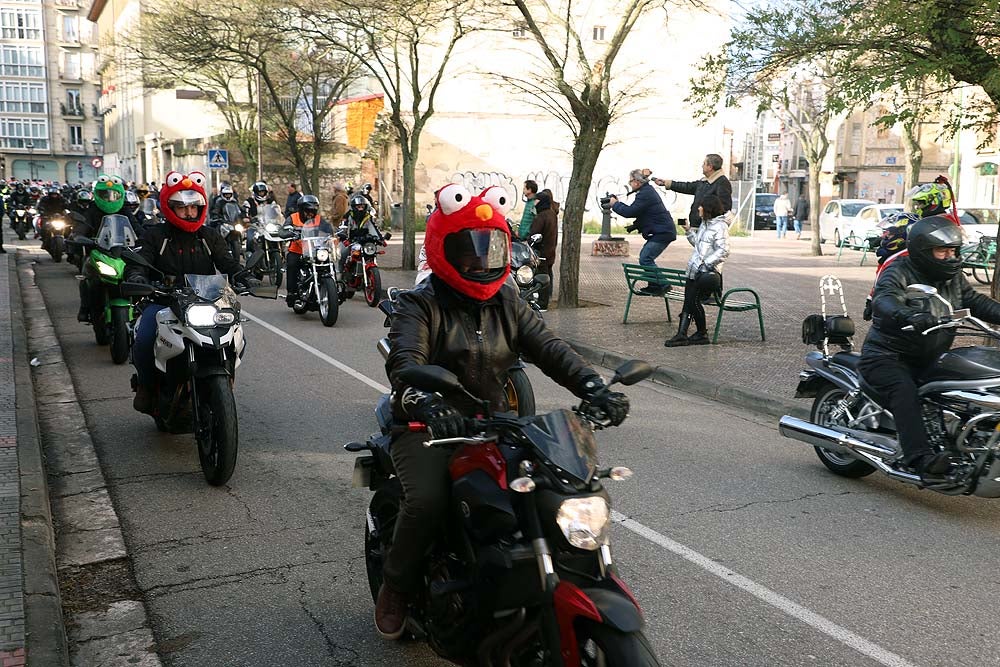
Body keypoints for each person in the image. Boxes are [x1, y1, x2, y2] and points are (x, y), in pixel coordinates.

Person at [374, 183, 630, 639]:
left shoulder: (507, 300)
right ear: (443, 247)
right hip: (426, 425)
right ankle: (395, 586)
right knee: (428, 500)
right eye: (467, 250)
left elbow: (549, 348)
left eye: (488, 248)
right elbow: (405, 363)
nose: (479, 261)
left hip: (497, 421)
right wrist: (425, 400)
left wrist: (593, 386)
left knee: (552, 491)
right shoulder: (420, 303)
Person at [860, 216, 1000, 479]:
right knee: (904, 391)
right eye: (943, 250)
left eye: (953, 250)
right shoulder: (898, 270)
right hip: (888, 356)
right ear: (923, 250)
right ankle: (919, 459)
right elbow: (885, 299)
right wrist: (906, 314)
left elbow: (972, 301)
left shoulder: (951, 276)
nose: (950, 256)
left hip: (931, 355)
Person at [127, 171, 251, 414]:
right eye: (182, 208)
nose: (189, 213)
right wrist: (137, 276)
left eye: (194, 208)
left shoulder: (209, 236)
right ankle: (147, 387)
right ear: (170, 207)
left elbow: (226, 262)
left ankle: (225, 382)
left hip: (206, 300)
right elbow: (140, 260)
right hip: (163, 299)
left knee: (238, 336)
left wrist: (244, 275)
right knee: (144, 339)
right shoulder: (155, 235)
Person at [664, 194, 730, 347]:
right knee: (689, 301)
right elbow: (698, 245)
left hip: (707, 273)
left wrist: (705, 264)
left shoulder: (720, 226)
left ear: (708, 208)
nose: (698, 208)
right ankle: (686, 334)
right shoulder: (705, 224)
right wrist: (688, 231)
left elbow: (724, 250)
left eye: (701, 206)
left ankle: (698, 333)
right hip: (694, 269)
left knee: (692, 301)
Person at [610, 169, 676, 294]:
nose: (629, 184)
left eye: (630, 181)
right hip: (662, 231)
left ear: (636, 181)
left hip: (662, 232)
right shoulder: (646, 191)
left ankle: (662, 284)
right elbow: (646, 213)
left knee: (645, 259)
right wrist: (635, 226)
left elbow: (630, 211)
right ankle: (654, 285)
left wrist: (615, 204)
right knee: (646, 258)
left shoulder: (645, 193)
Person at [655, 153, 733, 228]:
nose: (702, 166)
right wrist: (666, 183)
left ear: (710, 167)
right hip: (698, 226)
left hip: (707, 227)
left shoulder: (722, 183)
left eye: (704, 163)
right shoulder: (704, 181)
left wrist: (707, 219)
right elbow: (687, 187)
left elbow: (724, 208)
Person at [284, 194, 333, 308]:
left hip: (315, 250)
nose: (310, 213)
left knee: (329, 263)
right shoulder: (293, 218)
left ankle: (334, 288)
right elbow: (283, 231)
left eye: (313, 211)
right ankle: (292, 293)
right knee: (292, 264)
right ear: (301, 210)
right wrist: (290, 232)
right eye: (308, 211)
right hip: (297, 250)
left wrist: (335, 235)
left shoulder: (319, 220)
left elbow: (329, 230)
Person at [528, 189, 558, 310]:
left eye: (536, 200)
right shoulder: (552, 214)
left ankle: (542, 302)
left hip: (542, 252)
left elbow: (534, 233)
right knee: (548, 274)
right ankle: (546, 298)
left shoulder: (541, 216)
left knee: (541, 276)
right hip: (550, 250)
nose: (534, 202)